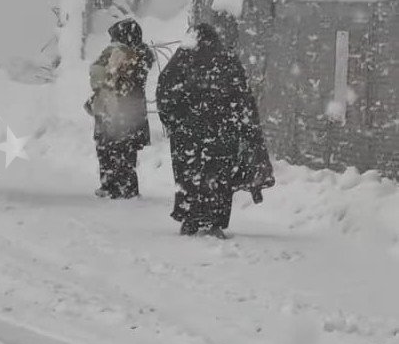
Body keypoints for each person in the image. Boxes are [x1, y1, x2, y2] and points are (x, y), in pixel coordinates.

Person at [156, 23, 275, 238]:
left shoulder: (182, 59)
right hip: (222, 133)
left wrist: (175, 121)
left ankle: (191, 218)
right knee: (219, 177)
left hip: (188, 134)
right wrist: (243, 128)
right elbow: (243, 97)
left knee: (189, 174)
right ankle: (214, 220)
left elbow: (164, 90)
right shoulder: (227, 60)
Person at [84, 18, 155, 199]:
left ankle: (123, 188)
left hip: (123, 110)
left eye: (115, 38)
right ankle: (112, 185)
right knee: (110, 148)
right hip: (118, 109)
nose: (112, 42)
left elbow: (119, 81)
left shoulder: (134, 56)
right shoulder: (128, 55)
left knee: (120, 149)